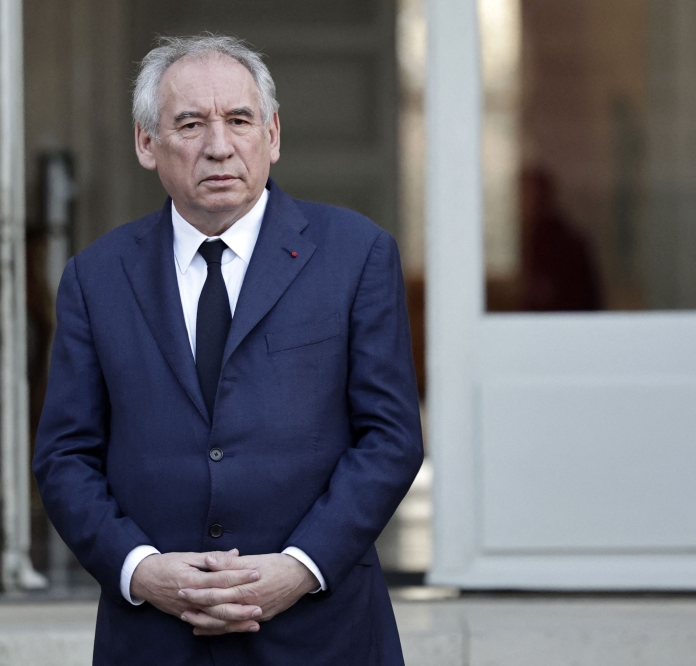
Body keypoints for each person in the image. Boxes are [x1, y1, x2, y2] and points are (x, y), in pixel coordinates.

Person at [33, 35, 424, 665]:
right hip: (156, 639)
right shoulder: (96, 276)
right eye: (190, 123)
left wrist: (300, 567)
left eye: (239, 121)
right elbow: (64, 456)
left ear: (272, 135)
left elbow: (390, 438)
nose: (219, 145)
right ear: (145, 143)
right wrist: (141, 569)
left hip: (321, 634)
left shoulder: (357, 253)